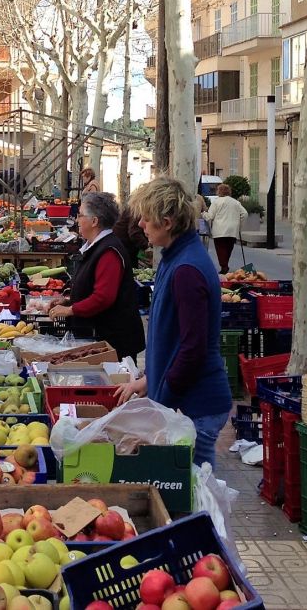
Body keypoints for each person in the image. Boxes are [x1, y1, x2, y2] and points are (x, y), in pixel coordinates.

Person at [115, 176, 232, 466]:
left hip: (198, 404)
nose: (141, 224)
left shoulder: (187, 270)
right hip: (189, 400)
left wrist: (162, 399)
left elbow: (193, 348)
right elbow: (174, 338)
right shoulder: (175, 258)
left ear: (166, 222)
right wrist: (149, 381)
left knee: (198, 494)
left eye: (146, 218)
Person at [49, 191, 145, 361]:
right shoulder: (96, 246)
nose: (77, 220)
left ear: (94, 221)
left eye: (80, 215)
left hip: (114, 342)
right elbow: (91, 286)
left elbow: (103, 297)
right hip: (100, 336)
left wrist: (70, 310)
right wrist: (69, 300)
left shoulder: (109, 252)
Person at [203, 184, 249, 275]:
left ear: (219, 191)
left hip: (219, 230)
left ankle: (224, 266)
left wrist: (203, 213)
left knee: (220, 249)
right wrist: (239, 226)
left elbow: (210, 216)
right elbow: (245, 213)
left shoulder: (216, 202)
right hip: (232, 230)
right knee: (228, 249)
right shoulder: (235, 202)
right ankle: (224, 265)